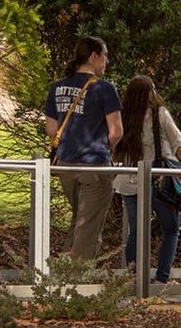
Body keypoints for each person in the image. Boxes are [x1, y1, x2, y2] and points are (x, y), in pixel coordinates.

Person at [44, 36, 123, 260]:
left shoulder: (57, 87)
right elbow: (116, 131)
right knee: (88, 226)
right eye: (105, 55)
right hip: (94, 166)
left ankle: (61, 272)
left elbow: (51, 129)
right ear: (94, 56)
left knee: (79, 219)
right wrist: (103, 148)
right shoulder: (104, 89)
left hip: (66, 165)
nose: (107, 61)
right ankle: (75, 281)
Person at [113, 75, 181, 283]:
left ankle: (133, 278)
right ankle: (162, 278)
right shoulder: (159, 114)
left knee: (136, 231)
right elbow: (179, 144)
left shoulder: (122, 116)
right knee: (171, 229)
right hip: (157, 181)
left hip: (128, 180)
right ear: (149, 93)